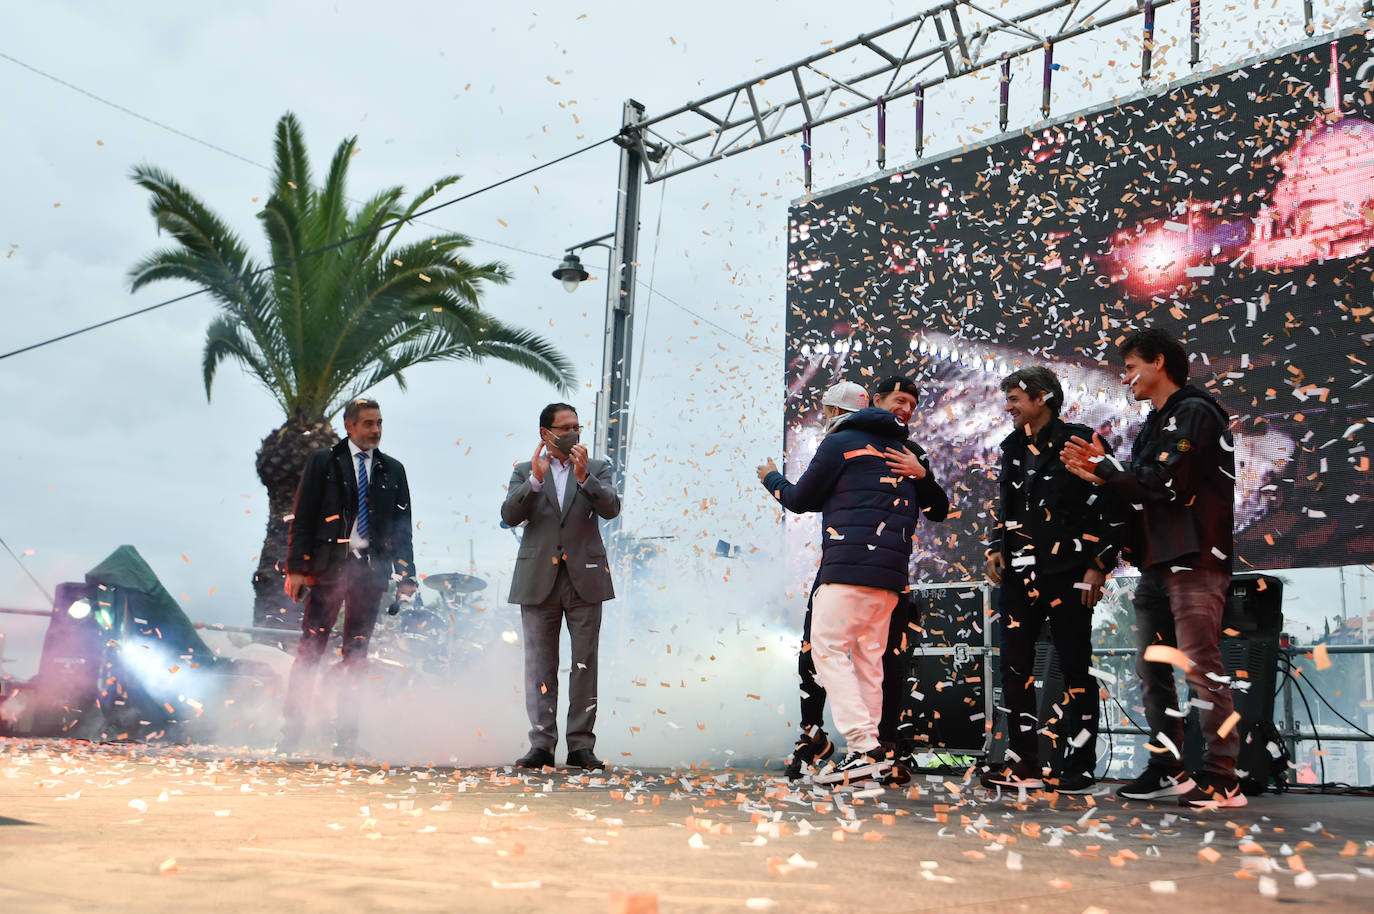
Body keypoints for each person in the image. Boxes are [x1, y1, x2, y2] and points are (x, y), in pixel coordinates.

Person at [1062, 327, 1243, 808]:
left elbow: (1163, 484)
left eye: (1131, 367)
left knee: (1201, 667)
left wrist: (1104, 469)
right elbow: (1137, 491)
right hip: (1156, 562)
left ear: (1159, 362)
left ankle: (1223, 775)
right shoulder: (1155, 421)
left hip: (1195, 559)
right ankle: (1168, 767)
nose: (1126, 379)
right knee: (1152, 669)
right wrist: (1101, 476)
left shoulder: (1195, 414)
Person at [760, 376, 948, 786]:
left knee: (827, 652)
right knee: (868, 661)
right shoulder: (902, 446)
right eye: (901, 400)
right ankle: (866, 753)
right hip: (889, 578)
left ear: (833, 412)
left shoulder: (841, 443)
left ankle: (863, 748)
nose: (908, 409)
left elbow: (799, 499)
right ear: (875, 404)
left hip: (847, 569)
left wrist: (771, 478)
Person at [980, 367, 1121, 795]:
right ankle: (1023, 764)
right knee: (1013, 667)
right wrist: (994, 545)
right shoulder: (1011, 447)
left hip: (1070, 574)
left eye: (1015, 399)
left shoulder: (1080, 439)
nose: (1008, 407)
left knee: (1076, 668)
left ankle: (1078, 768)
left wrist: (1100, 563)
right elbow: (1006, 503)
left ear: (1042, 398)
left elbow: (1113, 500)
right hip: (1019, 576)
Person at [279, 398, 417, 756]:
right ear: (349, 426)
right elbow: (304, 515)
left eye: (380, 423)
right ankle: (291, 735)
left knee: (357, 654)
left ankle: (347, 739)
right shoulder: (324, 462)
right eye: (369, 423)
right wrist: (296, 569)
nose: (376, 430)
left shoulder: (394, 469)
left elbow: (403, 528)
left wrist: (406, 574)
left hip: (370, 573)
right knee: (311, 649)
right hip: (327, 569)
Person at [501, 403, 620, 771]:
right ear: (545, 433)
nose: (573, 434)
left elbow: (612, 508)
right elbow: (508, 516)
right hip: (538, 579)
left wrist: (585, 478)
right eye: (565, 428)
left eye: (577, 427)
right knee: (540, 665)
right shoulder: (524, 470)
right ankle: (541, 743)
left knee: (585, 663)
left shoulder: (598, 467)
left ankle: (581, 745)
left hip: (585, 577)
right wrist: (535, 483)